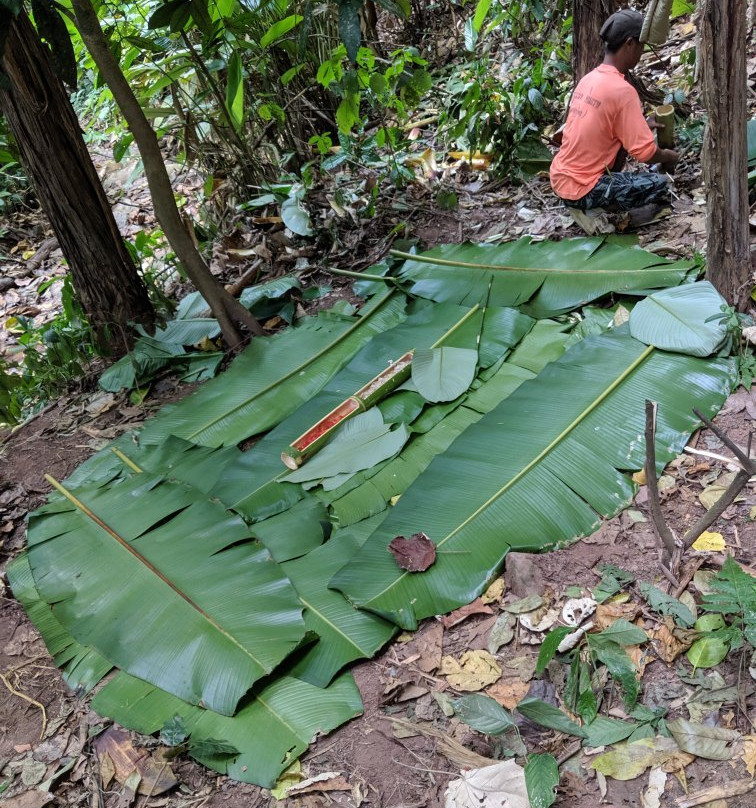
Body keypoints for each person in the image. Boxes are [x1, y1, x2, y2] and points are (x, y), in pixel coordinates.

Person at [550, 8, 679, 229]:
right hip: (583, 187)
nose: (641, 52)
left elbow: (602, 125)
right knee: (659, 184)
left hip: (560, 178)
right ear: (630, 43)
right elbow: (646, 154)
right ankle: (597, 212)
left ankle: (587, 204)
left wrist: (641, 125)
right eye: (641, 46)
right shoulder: (622, 90)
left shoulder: (588, 79)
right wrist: (669, 157)